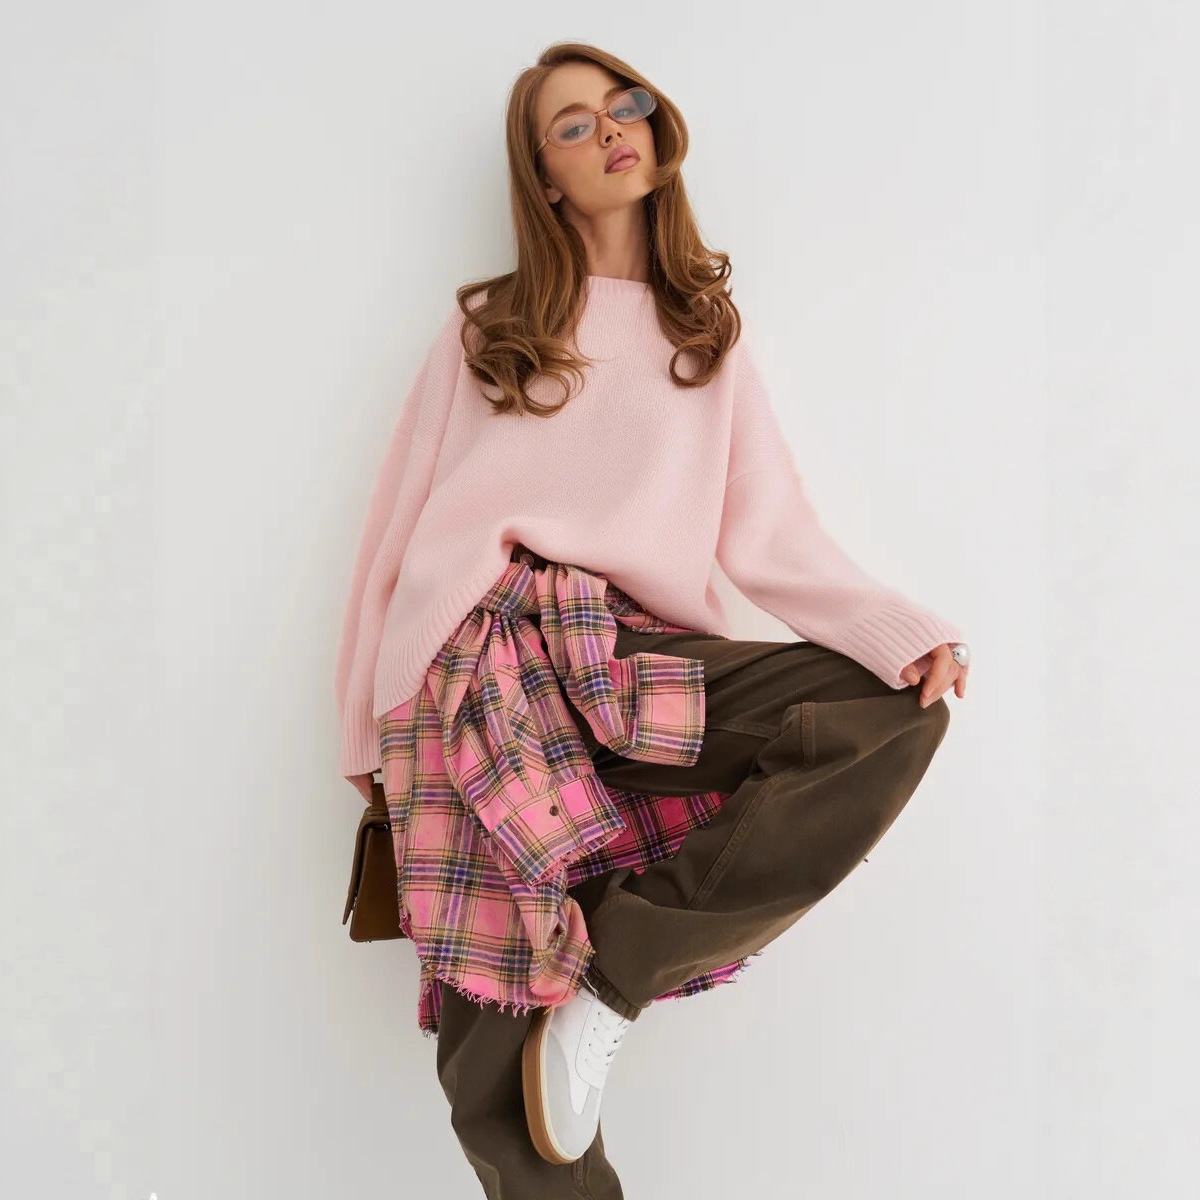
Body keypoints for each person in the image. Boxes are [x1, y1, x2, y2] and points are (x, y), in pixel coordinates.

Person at [333, 40, 970, 1200]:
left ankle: (615, 974)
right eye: (573, 125)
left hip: (623, 662)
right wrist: (363, 736)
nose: (611, 129)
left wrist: (893, 625)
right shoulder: (488, 329)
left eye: (622, 105)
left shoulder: (708, 339)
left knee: (884, 712)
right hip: (476, 676)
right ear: (545, 178)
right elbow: (392, 536)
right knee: (494, 1087)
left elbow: (769, 532)